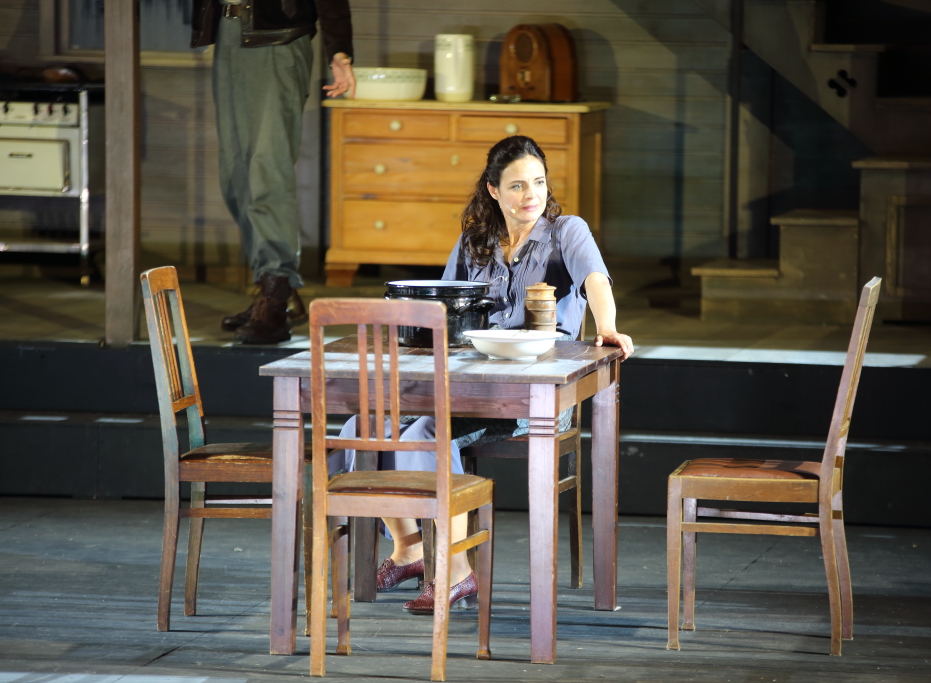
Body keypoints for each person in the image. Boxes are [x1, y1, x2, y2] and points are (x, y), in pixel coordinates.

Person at [329, 135, 633, 614]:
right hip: (467, 384)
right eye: (517, 185)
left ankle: (456, 570)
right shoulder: (477, 241)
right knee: (359, 427)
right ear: (493, 190)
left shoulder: (565, 231)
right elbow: (442, 306)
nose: (531, 194)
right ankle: (409, 546)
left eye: (538, 182)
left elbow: (595, 279)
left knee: (427, 431)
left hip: (534, 395)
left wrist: (608, 325)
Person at [190, 0, 356, 344]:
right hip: (228, 31)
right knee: (236, 177)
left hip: (278, 36)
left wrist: (339, 48)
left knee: (268, 169)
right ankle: (275, 288)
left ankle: (277, 293)